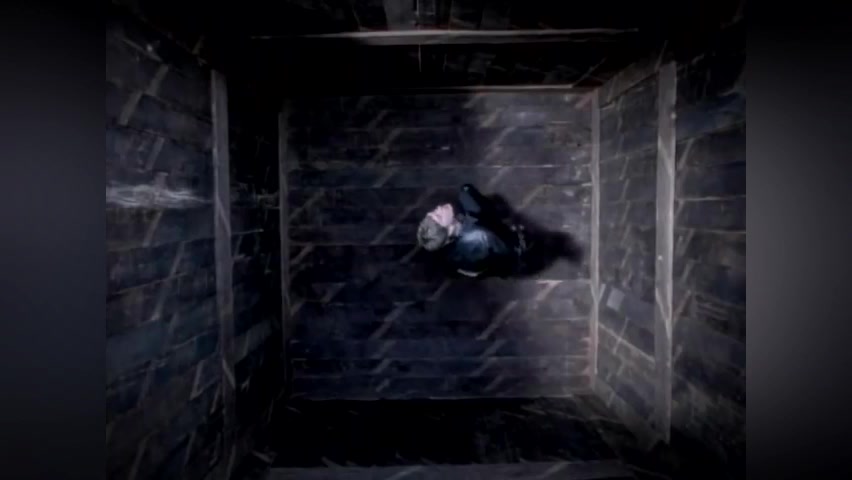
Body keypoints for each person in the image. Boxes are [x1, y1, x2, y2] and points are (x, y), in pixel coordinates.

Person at [416, 183, 527, 278]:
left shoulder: (455, 231)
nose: (439, 208)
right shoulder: (477, 238)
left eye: (433, 212)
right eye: (439, 216)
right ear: (449, 230)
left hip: (474, 233)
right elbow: (501, 251)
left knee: (467, 191)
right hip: (495, 250)